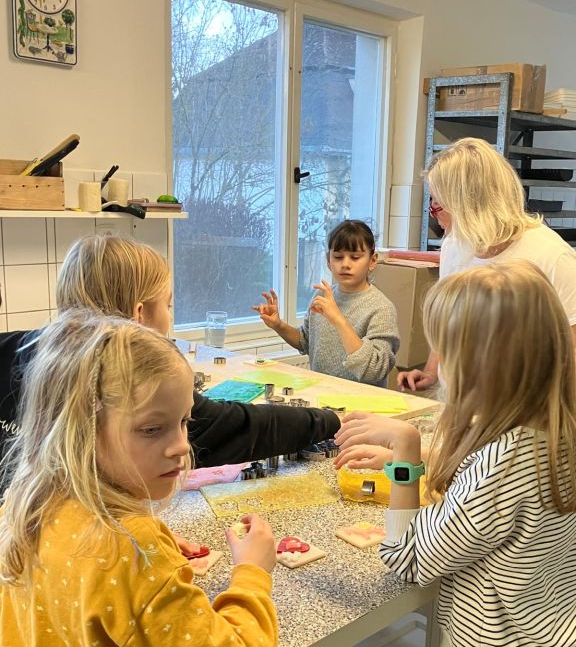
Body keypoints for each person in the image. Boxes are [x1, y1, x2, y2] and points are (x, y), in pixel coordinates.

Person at [0, 311, 278, 647]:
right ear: (80, 431)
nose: (182, 445)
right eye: (152, 429)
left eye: (185, 421)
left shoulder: (22, 507)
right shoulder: (132, 551)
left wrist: (155, 553)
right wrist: (252, 574)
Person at [338, 262, 576, 647]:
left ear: (485, 364)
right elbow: (492, 484)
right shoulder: (557, 429)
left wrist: (406, 456)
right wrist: (422, 456)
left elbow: (406, 558)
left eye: (446, 350)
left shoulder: (502, 464)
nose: (438, 363)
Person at [0, 235, 341, 467]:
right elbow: (241, 428)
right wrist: (333, 421)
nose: (169, 317)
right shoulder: (140, 383)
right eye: (167, 305)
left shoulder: (17, 347)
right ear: (138, 316)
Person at [397, 136, 576, 392]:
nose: (434, 214)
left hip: (518, 406)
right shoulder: (455, 244)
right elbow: (450, 321)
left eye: (438, 204)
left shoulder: (552, 257)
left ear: (468, 204)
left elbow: (571, 358)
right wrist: (431, 371)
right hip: (461, 399)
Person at [253, 220, 399, 387]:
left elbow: (374, 370)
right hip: (321, 395)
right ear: (329, 261)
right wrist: (278, 325)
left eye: (355, 257)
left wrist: (338, 319)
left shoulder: (381, 308)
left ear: (372, 261)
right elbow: (306, 341)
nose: (345, 264)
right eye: (338, 257)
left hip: (361, 401)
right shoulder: (322, 295)